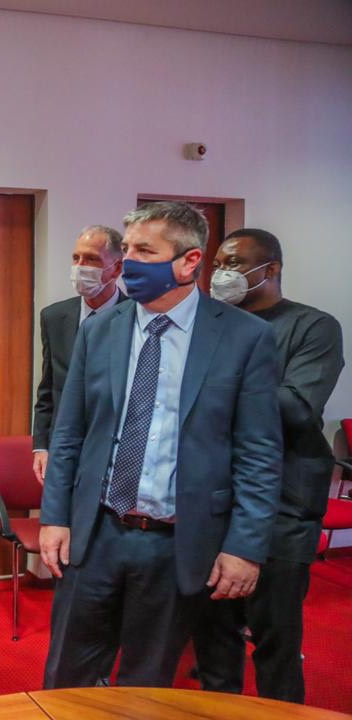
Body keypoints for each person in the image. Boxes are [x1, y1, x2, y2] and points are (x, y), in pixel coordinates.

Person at [39, 201, 283, 688]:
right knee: (67, 677)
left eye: (144, 251)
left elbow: (259, 454)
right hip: (96, 534)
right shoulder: (100, 329)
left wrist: (245, 547)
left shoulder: (244, 337)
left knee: (145, 685)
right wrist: (55, 517)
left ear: (189, 261)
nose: (128, 261)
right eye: (127, 249)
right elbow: (69, 434)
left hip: (177, 542)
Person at [194, 229, 344, 702]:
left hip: (284, 505)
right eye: (219, 263)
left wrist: (217, 388)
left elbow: (297, 408)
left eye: (235, 264)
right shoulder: (210, 323)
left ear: (271, 269)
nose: (222, 274)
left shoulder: (313, 327)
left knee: (275, 640)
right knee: (213, 642)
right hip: (214, 502)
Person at [32, 225, 126, 484]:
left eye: (92, 259)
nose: (80, 266)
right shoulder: (54, 317)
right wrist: (41, 446)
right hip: (64, 449)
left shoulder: (136, 317)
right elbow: (49, 387)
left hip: (113, 450)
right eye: (76, 258)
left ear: (116, 268)